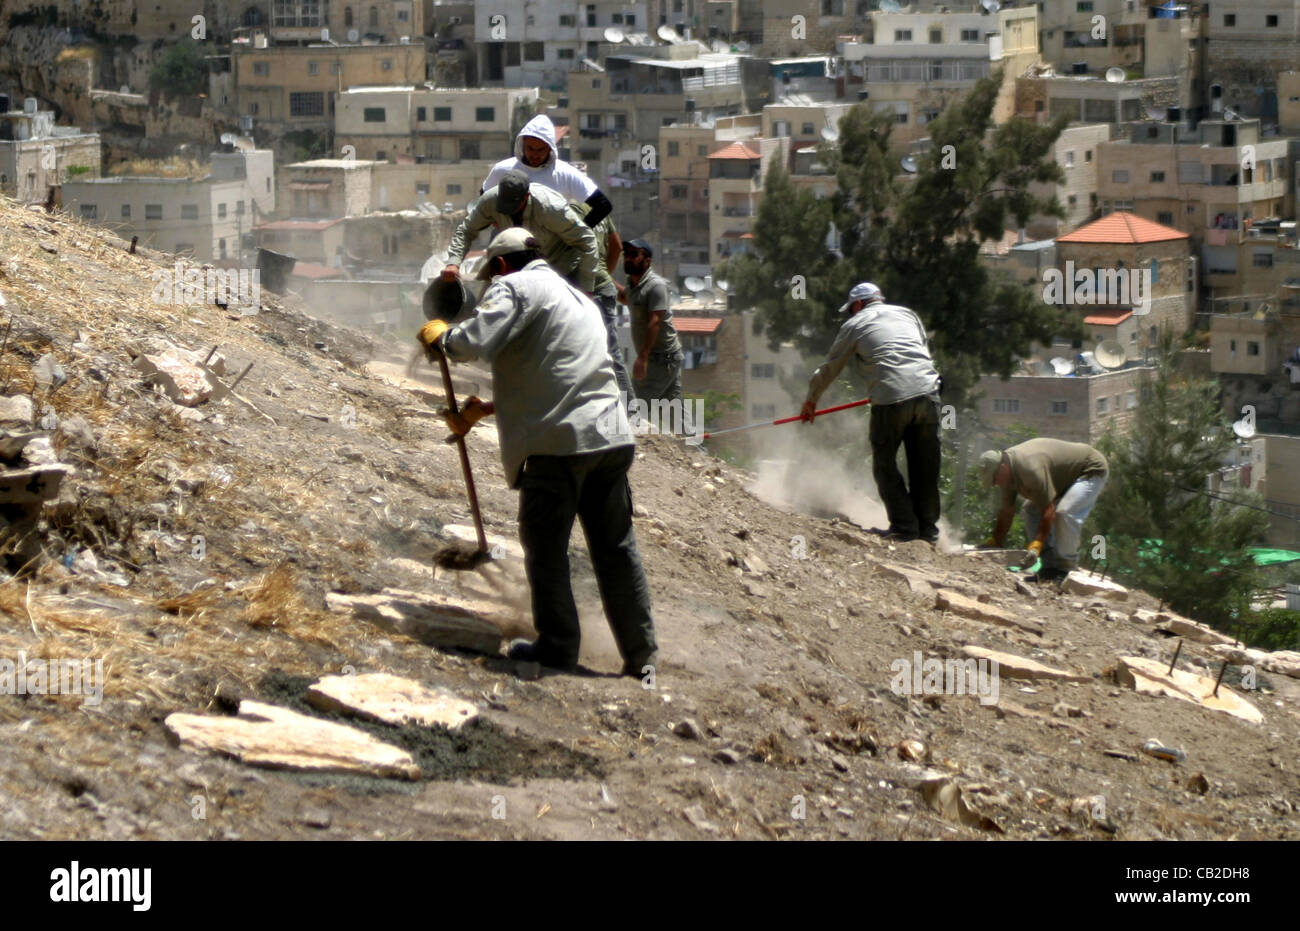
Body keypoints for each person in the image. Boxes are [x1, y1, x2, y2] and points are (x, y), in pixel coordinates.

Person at [418, 228, 659, 677]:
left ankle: (558, 648)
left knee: (546, 547)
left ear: (503, 265)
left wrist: (443, 339)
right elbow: (560, 372)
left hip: (560, 445)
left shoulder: (514, 286)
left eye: (490, 275)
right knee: (616, 548)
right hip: (609, 437)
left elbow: (474, 343)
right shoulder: (577, 299)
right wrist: (483, 410)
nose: (490, 284)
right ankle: (641, 654)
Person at [801, 282, 942, 544]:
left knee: (884, 463)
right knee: (926, 466)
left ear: (857, 305)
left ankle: (905, 528)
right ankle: (928, 533)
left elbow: (829, 369)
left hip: (891, 399)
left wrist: (811, 401)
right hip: (928, 393)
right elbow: (921, 353)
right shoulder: (907, 314)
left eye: (850, 310)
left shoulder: (854, 324)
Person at [442, 169, 597, 292]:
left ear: (526, 196)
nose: (509, 211)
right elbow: (466, 231)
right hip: (515, 271)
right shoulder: (490, 201)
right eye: (504, 205)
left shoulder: (550, 207)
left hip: (557, 268)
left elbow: (587, 240)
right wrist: (453, 263)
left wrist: (586, 290)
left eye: (514, 205)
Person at [978, 438, 1109, 582]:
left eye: (995, 479)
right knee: (1029, 510)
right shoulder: (1007, 475)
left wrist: (1037, 543)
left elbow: (1048, 510)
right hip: (1064, 477)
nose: (995, 484)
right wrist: (996, 540)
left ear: (1003, 468)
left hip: (1089, 469)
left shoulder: (1029, 469)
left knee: (1065, 513)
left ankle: (1067, 569)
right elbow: (1007, 511)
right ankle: (1049, 568)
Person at [481, 114, 612, 228]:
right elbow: (484, 198)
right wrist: (498, 223)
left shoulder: (565, 173)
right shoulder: (503, 169)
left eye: (541, 150)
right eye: (530, 148)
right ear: (522, 144)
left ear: (550, 148)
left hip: (552, 251)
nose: (534, 155)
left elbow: (603, 205)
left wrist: (575, 236)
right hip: (513, 245)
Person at [579, 202, 634, 404]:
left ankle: (625, 408)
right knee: (611, 351)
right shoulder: (600, 211)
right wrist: (605, 277)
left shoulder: (568, 211)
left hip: (586, 289)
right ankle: (627, 409)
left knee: (590, 350)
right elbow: (617, 247)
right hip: (603, 287)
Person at [620, 239, 682, 407]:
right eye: (626, 255)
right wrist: (601, 278)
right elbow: (626, 297)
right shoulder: (633, 285)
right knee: (675, 411)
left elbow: (655, 321)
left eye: (634, 255)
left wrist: (643, 357)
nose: (628, 259)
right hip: (664, 358)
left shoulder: (656, 286)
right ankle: (689, 433)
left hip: (660, 359)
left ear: (647, 260)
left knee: (633, 404)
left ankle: (624, 433)